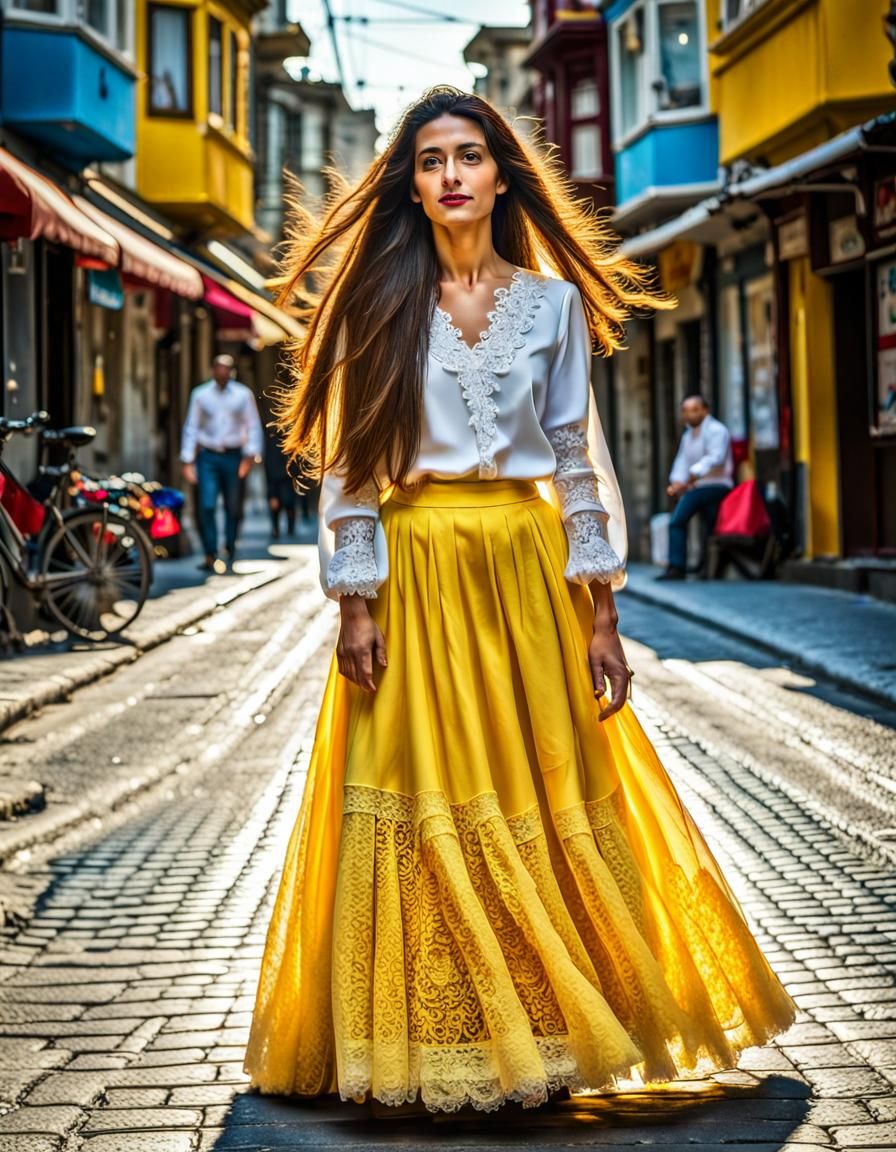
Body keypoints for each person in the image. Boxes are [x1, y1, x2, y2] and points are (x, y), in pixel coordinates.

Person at [243, 86, 795, 1114]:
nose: (448, 174)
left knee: (537, 786)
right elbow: (355, 462)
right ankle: (426, 1037)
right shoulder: (377, 297)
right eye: (427, 161)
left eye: (467, 155)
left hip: (523, 568)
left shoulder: (551, 305)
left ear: (501, 173)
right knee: (415, 787)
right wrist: (351, 600)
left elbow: (578, 464)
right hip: (413, 571)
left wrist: (600, 612)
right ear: (410, 185)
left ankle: (547, 1026)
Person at [180, 354, 264, 571]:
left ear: (232, 371)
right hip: (208, 456)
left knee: (233, 506)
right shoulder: (200, 395)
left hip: (233, 456)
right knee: (207, 504)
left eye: (226, 368)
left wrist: (250, 456)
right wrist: (187, 460)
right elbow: (191, 427)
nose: (222, 372)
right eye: (218, 368)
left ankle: (230, 547)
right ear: (212, 370)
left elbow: (253, 425)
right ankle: (210, 552)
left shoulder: (243, 395)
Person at [658, 395, 734, 581]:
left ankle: (678, 566)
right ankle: (704, 568)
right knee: (709, 527)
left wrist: (695, 473)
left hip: (717, 485)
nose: (689, 415)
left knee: (677, 521)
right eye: (686, 410)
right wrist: (677, 480)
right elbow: (682, 460)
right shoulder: (688, 435)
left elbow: (716, 457)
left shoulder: (717, 430)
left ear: (705, 410)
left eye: (694, 410)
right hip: (698, 487)